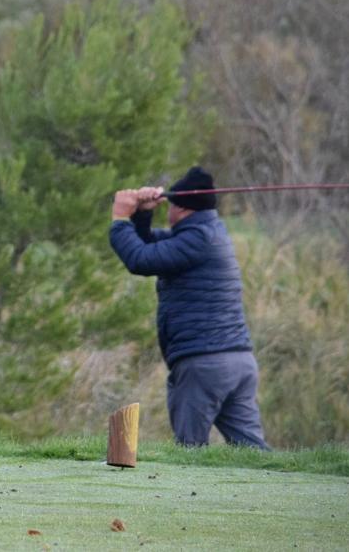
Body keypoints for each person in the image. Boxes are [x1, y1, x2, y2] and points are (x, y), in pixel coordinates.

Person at [108, 166, 269, 448]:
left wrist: (120, 218)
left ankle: (192, 495)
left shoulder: (195, 240)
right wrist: (143, 213)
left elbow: (140, 259)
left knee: (189, 452)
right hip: (238, 361)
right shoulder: (205, 233)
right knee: (253, 451)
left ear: (181, 209)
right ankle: (275, 489)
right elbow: (151, 246)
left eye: (170, 205)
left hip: (205, 364)